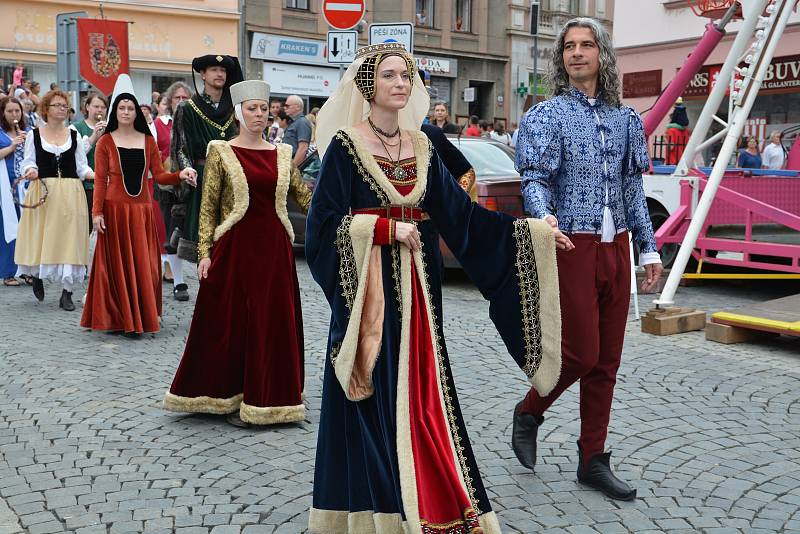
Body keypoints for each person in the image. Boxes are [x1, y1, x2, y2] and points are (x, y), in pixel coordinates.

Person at [307, 42, 562, 534]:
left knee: (427, 396)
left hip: (422, 298)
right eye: (390, 76)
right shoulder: (345, 146)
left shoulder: (423, 146)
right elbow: (321, 229)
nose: (401, 83)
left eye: (407, 76)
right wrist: (380, 231)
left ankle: (433, 499)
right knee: (373, 396)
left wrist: (535, 231)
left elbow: (463, 220)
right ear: (368, 86)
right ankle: (378, 511)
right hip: (370, 300)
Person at [513, 17, 663, 502]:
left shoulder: (626, 120)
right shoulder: (547, 115)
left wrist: (648, 246)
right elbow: (533, 179)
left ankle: (592, 458)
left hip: (616, 246)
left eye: (586, 45)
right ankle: (530, 412)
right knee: (582, 352)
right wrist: (545, 218)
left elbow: (633, 188)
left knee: (608, 361)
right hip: (570, 244)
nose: (576, 53)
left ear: (603, 55)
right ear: (562, 58)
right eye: (569, 47)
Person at [164, 80, 311, 426]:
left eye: (263, 108)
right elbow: (208, 207)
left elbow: (303, 197)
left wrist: (340, 209)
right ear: (239, 113)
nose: (259, 114)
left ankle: (269, 396)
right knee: (230, 322)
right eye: (252, 109)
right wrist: (204, 252)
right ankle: (224, 393)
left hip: (274, 251)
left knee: (270, 321)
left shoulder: (283, 154)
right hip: (235, 249)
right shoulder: (221, 151)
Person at [81, 77, 197, 336]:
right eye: (121, 108)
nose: (125, 112)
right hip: (114, 210)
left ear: (137, 112)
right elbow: (100, 181)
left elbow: (160, 175)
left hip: (141, 211)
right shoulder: (106, 142)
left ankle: (138, 317)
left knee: (143, 264)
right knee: (114, 266)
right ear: (115, 112)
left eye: (130, 108)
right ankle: (116, 318)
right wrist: (96, 213)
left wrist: (181, 174)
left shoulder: (147, 141)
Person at [15, 89, 95, 311]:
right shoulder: (35, 135)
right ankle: (37, 275)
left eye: (65, 106)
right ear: (46, 109)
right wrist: (31, 170)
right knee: (42, 235)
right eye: (57, 105)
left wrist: (97, 176)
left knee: (71, 238)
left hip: (71, 192)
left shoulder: (74, 135)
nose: (62, 109)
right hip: (43, 191)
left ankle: (67, 292)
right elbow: (28, 161)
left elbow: (81, 167)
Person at [171, 54, 243, 267]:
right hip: (202, 180)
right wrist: (188, 171)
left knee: (231, 241)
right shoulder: (187, 108)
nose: (220, 74)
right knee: (204, 245)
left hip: (232, 179)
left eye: (223, 70)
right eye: (214, 69)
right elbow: (180, 148)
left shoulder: (236, 108)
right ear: (202, 74)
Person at [154, 82, 193, 289]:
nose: (181, 102)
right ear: (170, 101)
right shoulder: (158, 124)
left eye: (185, 98)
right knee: (170, 233)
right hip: (168, 185)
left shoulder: (195, 122)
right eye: (177, 98)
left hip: (192, 181)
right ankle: (178, 281)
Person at [0, 97, 28, 286]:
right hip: (4, 186)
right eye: (10, 111)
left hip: (23, 185)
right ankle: (8, 271)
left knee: (26, 227)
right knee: (7, 227)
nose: (14, 115)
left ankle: (27, 269)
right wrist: (12, 146)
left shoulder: (27, 132)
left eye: (17, 111)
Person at [72, 92, 109, 225]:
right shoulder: (75, 128)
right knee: (86, 226)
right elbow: (75, 155)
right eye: (96, 106)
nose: (100, 110)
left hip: (109, 185)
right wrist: (94, 136)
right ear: (87, 107)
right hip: (87, 186)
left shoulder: (111, 128)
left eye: (103, 107)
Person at [282, 95, 313, 167]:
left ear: (297, 107)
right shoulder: (295, 122)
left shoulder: (302, 122)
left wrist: (292, 169)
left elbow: (303, 148)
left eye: (287, 106)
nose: (285, 108)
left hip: (292, 164)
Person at [664, 101, 691, 165]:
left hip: (672, 161)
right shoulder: (686, 130)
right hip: (683, 161)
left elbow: (671, 147)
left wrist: (665, 138)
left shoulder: (671, 130)